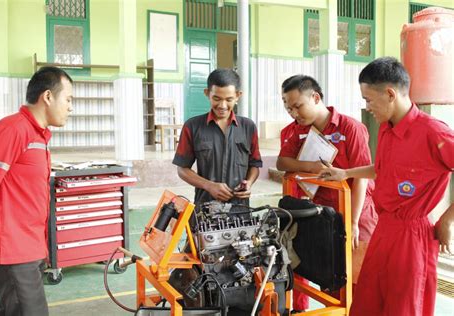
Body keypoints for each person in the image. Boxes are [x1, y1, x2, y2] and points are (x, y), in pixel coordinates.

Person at [323, 57, 454, 316]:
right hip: (384, 229)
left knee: (403, 308)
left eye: (368, 100)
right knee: (367, 302)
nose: (367, 107)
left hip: (412, 237)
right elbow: (382, 169)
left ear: (390, 93)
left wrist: (448, 219)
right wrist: (344, 172)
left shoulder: (434, 133)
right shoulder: (386, 129)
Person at [276, 75, 378, 313]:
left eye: (298, 106)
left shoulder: (350, 128)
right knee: (330, 277)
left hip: (357, 212)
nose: (293, 113)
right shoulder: (299, 130)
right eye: (288, 107)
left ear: (316, 97)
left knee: (358, 279)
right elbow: (282, 161)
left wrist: (353, 223)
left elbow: (362, 177)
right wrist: (310, 166)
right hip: (324, 215)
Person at [0, 66, 73, 316]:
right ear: (48, 97)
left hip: (27, 246)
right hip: (10, 249)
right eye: (68, 99)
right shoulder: (12, 130)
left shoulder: (38, 136)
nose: (70, 107)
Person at [172, 68, 262, 206]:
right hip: (205, 210)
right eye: (216, 98)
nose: (222, 105)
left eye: (229, 99)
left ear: (238, 95)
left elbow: (254, 165)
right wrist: (209, 185)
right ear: (207, 93)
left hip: (240, 210)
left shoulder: (248, 127)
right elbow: (182, 169)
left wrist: (249, 183)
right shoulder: (192, 126)